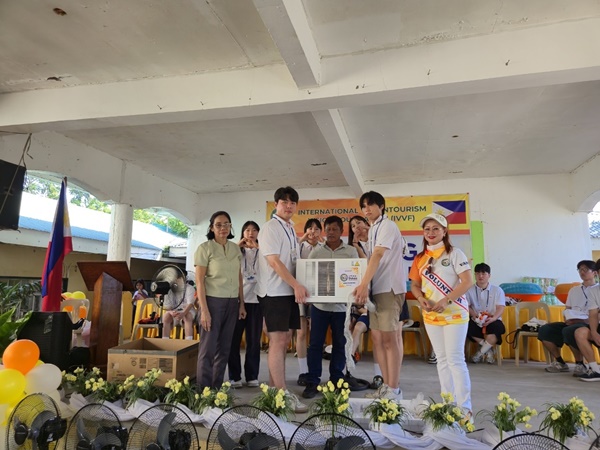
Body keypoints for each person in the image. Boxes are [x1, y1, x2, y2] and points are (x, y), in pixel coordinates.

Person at [410, 213, 473, 414]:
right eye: (427, 229)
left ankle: (464, 409)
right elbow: (414, 285)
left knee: (455, 360)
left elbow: (467, 281)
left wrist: (446, 300)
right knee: (442, 360)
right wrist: (420, 299)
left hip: (455, 314)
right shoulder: (420, 258)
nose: (431, 232)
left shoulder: (455, 253)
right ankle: (448, 405)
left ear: (444, 231)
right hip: (431, 316)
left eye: (436, 228)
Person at [256, 186, 309, 413]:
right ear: (276, 204)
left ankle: (273, 390)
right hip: (275, 292)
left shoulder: (290, 228)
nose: (288, 206)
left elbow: (292, 261)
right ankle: (282, 394)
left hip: (287, 292)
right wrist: (296, 284)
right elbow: (274, 262)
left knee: (285, 338)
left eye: (292, 202)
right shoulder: (270, 228)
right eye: (284, 202)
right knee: (278, 341)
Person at [352, 191, 406, 401]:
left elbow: (378, 254)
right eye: (363, 206)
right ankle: (386, 387)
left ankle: (394, 389)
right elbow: (368, 260)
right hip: (376, 290)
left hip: (389, 288)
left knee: (390, 339)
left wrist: (363, 285)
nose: (367, 209)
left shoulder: (388, 226)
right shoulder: (374, 229)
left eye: (371, 205)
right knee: (379, 340)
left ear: (381, 206)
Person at [302, 216, 359, 398]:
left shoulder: (350, 252)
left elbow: (356, 276)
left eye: (335, 229)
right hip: (320, 307)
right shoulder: (316, 251)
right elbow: (308, 275)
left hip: (341, 308)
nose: (331, 232)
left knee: (340, 344)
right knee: (315, 344)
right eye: (328, 229)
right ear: (324, 231)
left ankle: (337, 380)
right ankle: (312, 381)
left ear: (341, 231)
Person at [195, 211, 246, 389]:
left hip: (232, 303)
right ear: (211, 228)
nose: (223, 228)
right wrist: (204, 310)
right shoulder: (204, 248)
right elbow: (199, 282)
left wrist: (241, 304)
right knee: (208, 350)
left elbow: (239, 277)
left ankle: (216, 391)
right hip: (212, 302)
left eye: (226, 224)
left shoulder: (235, 249)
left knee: (224, 349)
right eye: (218, 225)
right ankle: (203, 393)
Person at [538, 260, 597, 376]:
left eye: (585, 269)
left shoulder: (597, 289)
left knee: (570, 330)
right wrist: (567, 317)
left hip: (589, 322)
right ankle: (560, 362)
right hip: (573, 321)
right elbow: (568, 308)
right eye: (580, 270)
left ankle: (580, 364)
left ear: (594, 272)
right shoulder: (574, 290)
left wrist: (584, 320)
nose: (582, 272)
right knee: (545, 329)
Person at [228, 221, 262, 388]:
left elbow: (270, 263)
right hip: (238, 300)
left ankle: (252, 376)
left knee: (254, 340)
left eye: (254, 230)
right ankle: (234, 376)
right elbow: (225, 259)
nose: (251, 233)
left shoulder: (262, 251)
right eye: (247, 230)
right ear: (242, 233)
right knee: (233, 340)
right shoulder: (236, 251)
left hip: (256, 301)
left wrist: (258, 248)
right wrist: (237, 246)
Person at [296, 218, 322, 386]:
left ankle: (313, 371)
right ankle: (302, 371)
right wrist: (303, 238)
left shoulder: (323, 247)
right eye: (310, 228)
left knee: (315, 334)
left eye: (316, 229)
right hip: (300, 293)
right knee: (301, 333)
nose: (313, 231)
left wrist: (322, 242)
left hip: (317, 294)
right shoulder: (299, 246)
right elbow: (290, 252)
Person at [465, 263, 506, 364]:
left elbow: (500, 307)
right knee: (464, 326)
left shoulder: (497, 290)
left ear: (489, 275)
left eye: (483, 273)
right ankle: (488, 349)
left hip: (492, 319)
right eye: (478, 273)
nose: (480, 276)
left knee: (497, 328)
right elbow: (466, 306)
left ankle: (479, 353)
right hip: (475, 319)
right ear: (475, 275)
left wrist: (494, 318)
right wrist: (474, 315)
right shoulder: (469, 290)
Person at [575, 261, 600, 381]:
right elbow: (593, 314)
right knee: (580, 332)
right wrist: (594, 332)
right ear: (598, 273)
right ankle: (595, 370)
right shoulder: (594, 291)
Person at [162, 273, 196, 340]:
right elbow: (167, 306)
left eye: (179, 278)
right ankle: (165, 340)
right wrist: (171, 312)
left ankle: (188, 340)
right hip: (174, 311)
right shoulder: (170, 289)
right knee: (166, 317)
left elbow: (190, 304)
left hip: (188, 310)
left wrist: (183, 313)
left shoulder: (190, 288)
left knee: (188, 316)